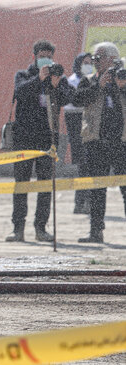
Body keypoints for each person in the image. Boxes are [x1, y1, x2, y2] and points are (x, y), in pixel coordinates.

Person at [5, 40, 70, 242]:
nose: (47, 59)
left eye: (50, 55)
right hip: (24, 138)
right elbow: (19, 93)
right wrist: (39, 79)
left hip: (47, 138)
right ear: (34, 56)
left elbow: (67, 99)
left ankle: (41, 228)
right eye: (43, 55)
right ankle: (18, 228)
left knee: (44, 185)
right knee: (21, 184)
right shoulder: (24, 75)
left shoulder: (57, 76)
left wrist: (55, 85)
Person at [72, 42, 126, 244]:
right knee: (96, 190)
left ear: (113, 60)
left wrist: (122, 87)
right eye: (93, 58)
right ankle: (96, 231)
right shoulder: (88, 81)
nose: (94, 61)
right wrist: (99, 86)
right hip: (96, 143)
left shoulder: (124, 79)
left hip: (121, 143)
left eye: (99, 57)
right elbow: (77, 100)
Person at [66, 52, 92, 214]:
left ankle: (84, 202)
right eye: (85, 62)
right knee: (84, 166)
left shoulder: (93, 81)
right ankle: (81, 202)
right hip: (76, 127)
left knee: (88, 167)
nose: (88, 65)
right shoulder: (71, 81)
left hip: (90, 126)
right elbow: (70, 105)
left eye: (90, 62)